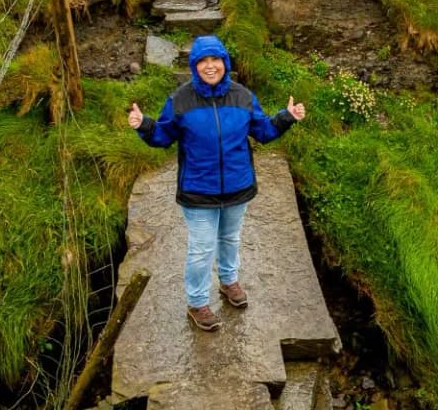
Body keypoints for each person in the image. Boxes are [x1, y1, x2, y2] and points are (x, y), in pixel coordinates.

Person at [129, 36, 307, 331]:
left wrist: (286, 117)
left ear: (224, 63)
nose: (210, 66)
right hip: (199, 190)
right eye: (203, 61)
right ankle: (198, 302)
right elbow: (162, 136)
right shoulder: (180, 100)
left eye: (215, 60)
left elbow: (262, 131)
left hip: (238, 185)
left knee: (230, 238)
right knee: (201, 248)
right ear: (194, 65)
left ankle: (228, 282)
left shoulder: (243, 96)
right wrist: (144, 125)